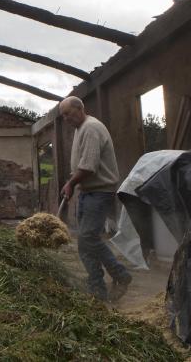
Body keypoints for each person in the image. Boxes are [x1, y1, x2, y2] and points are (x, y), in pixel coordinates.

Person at [59, 96, 131, 302]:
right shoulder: (79, 129)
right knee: (84, 241)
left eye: (68, 113)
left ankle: (121, 275)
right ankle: (97, 288)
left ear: (80, 108)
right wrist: (74, 183)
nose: (65, 118)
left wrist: (71, 183)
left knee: (89, 237)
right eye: (63, 115)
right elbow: (83, 165)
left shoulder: (91, 128)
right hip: (88, 191)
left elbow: (89, 166)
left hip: (99, 192)